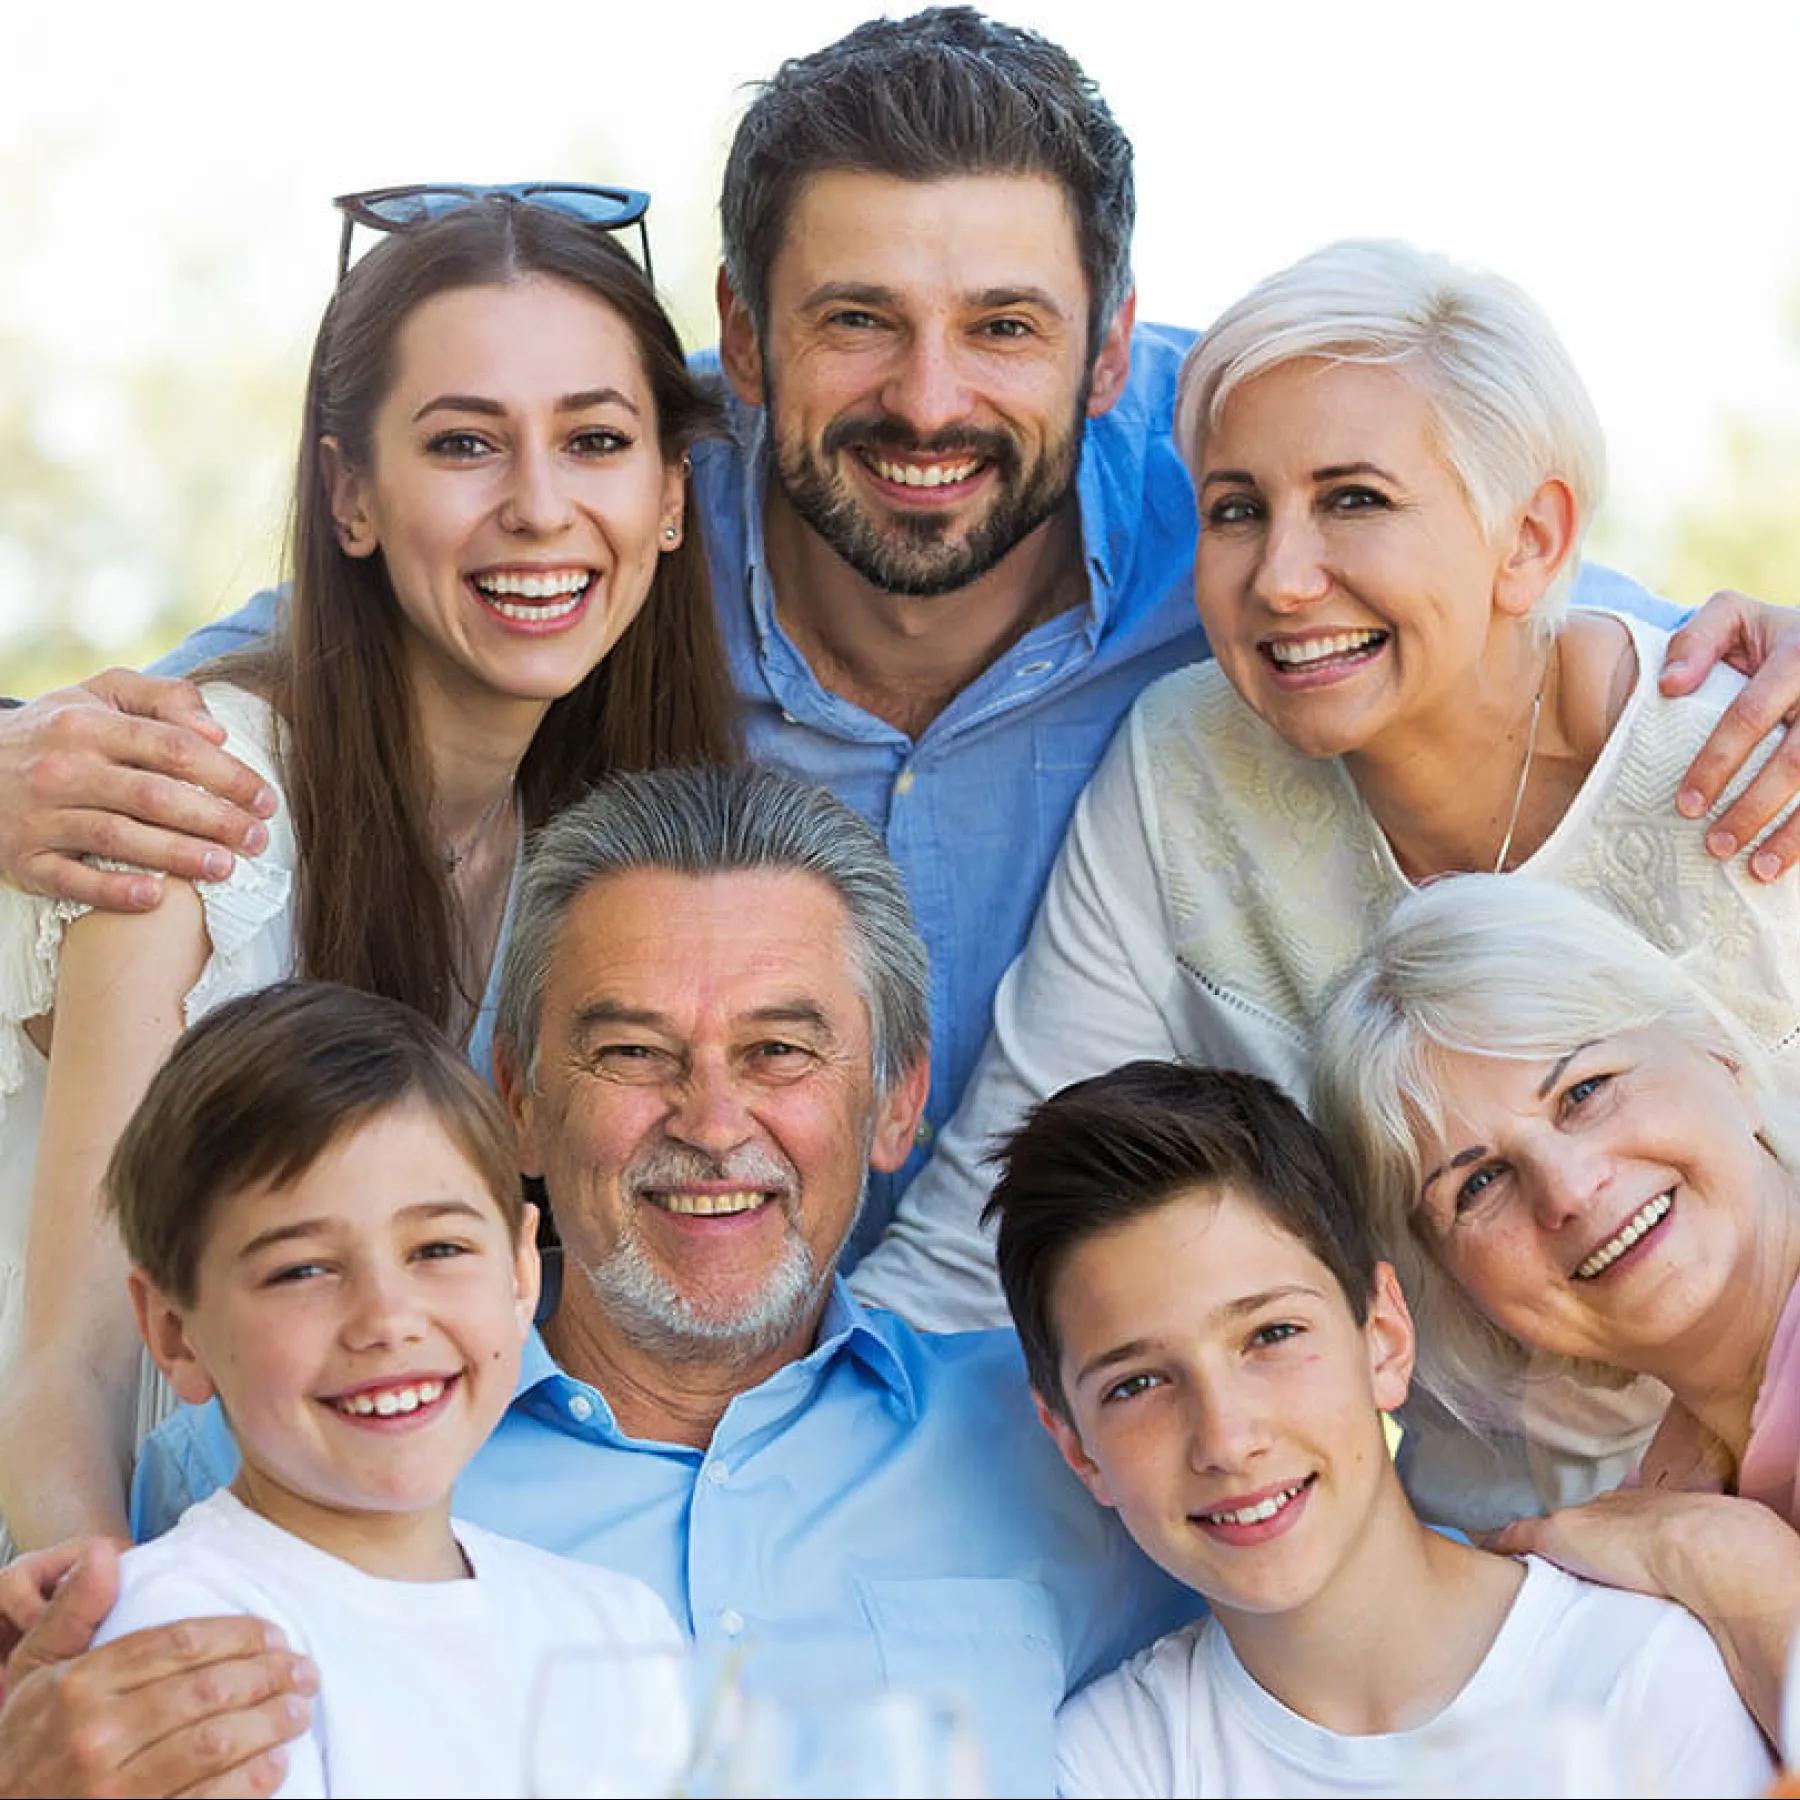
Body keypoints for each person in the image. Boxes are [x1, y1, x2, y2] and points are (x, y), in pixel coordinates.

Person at [6, 12, 1800, 1259]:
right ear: (744, 337)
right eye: (858, 320)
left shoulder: (1238, 501)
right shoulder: (620, 504)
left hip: (1066, 1381)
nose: (930, 399)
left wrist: (1764, 659)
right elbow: (324, 632)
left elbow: (1512, 581)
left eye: (1005, 326)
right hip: (614, 1334)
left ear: (1110, 354)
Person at [0, 763, 1198, 1800]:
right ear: (516, 1099)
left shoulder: (1072, 1443)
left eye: (779, 1051)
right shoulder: (274, 1459)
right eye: (632, 1052)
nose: (713, 1122)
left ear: (895, 1100)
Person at [856, 235, 1800, 1530]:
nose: (1282, 578)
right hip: (1492, 1572)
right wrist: (756, 1444)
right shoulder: (1189, 771)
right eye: (1237, 509)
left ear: (1529, 540)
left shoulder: (1753, 759)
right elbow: (993, 1226)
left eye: (1354, 499)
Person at [0, 192, 739, 1553]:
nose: (538, 505)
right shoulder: (208, 800)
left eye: (595, 440)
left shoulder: (577, 854)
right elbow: (76, 1371)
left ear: (674, 498)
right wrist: (101, 1652)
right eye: (464, 443)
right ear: (349, 496)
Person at [981, 1058, 1774, 1796]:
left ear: (1384, 1340)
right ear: (1077, 1446)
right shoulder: (1115, 1765)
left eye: (1272, 1336)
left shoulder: (1634, 1674)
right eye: (1139, 1384)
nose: (1226, 1440)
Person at [92, 979, 686, 1800]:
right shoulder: (187, 1641)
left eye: (438, 1249)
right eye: (302, 1269)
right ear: (174, 1333)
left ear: (520, 1273)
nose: (386, 1319)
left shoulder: (617, 1625)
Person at [1312, 870, 1800, 1740]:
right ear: (1457, 1288)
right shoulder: (1643, 1512)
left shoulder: (1671, 1538)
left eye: (1585, 1089)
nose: (1567, 1190)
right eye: (1479, 1184)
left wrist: (1738, 1571)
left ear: (1724, 1056)